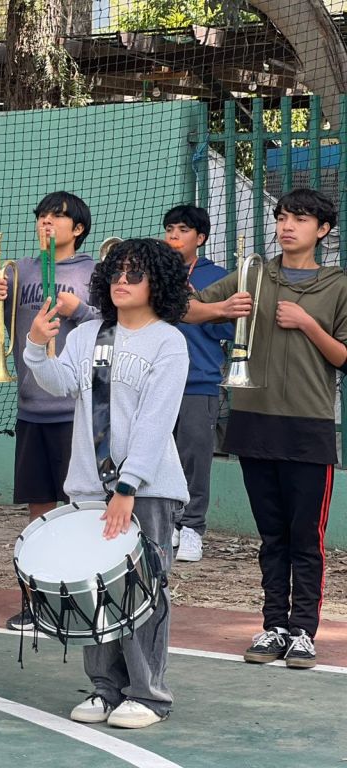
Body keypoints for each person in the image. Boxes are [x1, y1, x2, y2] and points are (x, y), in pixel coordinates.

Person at [25, 238, 189, 729]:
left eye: (134, 274)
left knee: (142, 589)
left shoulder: (168, 342)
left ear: (156, 283)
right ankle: (104, 688)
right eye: (116, 272)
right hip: (89, 488)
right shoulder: (89, 334)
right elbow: (58, 383)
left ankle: (149, 694)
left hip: (147, 488)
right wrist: (36, 344)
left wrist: (128, 485)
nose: (121, 280)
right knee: (94, 589)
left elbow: (157, 420)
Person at [185, 188, 347, 670]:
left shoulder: (338, 285)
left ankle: (303, 633)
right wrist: (220, 310)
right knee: (271, 537)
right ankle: (273, 625)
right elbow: (185, 309)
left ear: (323, 230)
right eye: (281, 217)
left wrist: (306, 325)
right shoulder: (254, 273)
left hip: (308, 426)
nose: (287, 225)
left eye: (299, 218)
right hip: (254, 423)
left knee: (305, 538)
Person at [0, 191, 98, 631]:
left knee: (83, 510)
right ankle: (40, 602)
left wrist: (84, 311)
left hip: (78, 412)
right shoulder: (19, 270)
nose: (46, 223)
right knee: (40, 511)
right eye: (41, 217)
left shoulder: (93, 272)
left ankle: (86, 601)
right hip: (32, 409)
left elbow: (115, 319)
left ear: (77, 228)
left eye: (57, 217)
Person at [163, 205, 233, 562]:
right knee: (159, 455)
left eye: (183, 230)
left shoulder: (218, 276)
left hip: (198, 380)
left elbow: (229, 329)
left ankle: (192, 528)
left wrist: (201, 307)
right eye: (170, 229)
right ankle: (167, 524)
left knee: (194, 456)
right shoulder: (154, 269)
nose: (174, 236)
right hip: (154, 382)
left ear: (200, 238)